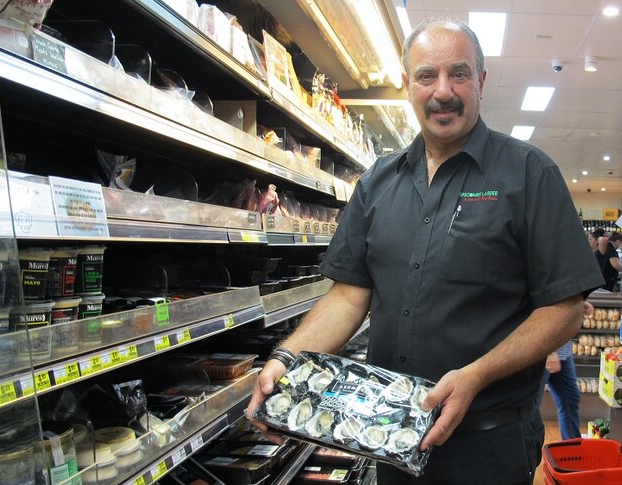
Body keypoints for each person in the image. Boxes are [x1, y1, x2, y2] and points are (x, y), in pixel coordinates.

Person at [247, 18, 603, 485]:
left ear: (481, 80)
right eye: (426, 76)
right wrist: (286, 358)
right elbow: (348, 297)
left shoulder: (529, 174)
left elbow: (564, 310)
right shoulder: (378, 181)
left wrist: (475, 375)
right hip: (390, 436)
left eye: (458, 74)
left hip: (490, 444)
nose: (442, 91)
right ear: (406, 84)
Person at [535, 301, 594, 441]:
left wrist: (577, 304)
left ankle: (572, 451)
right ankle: (526, 456)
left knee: (570, 399)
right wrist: (548, 352)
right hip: (542, 353)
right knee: (530, 407)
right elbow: (539, 308)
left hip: (563, 352)